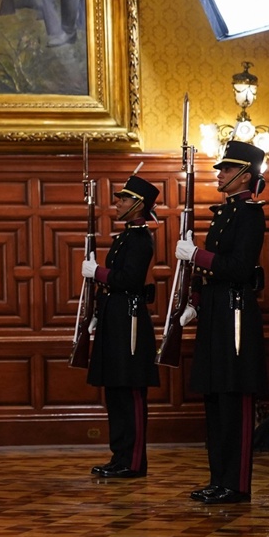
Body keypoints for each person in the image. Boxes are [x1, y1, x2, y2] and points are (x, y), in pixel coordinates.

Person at [175, 140, 269, 505]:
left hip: (236, 315)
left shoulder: (249, 215)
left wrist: (198, 254)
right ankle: (219, 479)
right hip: (215, 313)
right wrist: (195, 302)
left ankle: (237, 484)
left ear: (245, 175)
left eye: (227, 169)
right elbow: (214, 272)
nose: (220, 173)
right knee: (215, 402)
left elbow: (239, 268)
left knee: (235, 401)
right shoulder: (224, 213)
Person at [82, 174, 160, 479]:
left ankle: (134, 460)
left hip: (130, 319)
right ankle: (120, 455)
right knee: (115, 391)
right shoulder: (125, 237)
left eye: (124, 199)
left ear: (138, 205)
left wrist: (98, 272)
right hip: (115, 317)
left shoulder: (141, 239)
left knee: (130, 392)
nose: (118, 203)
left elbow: (127, 280)